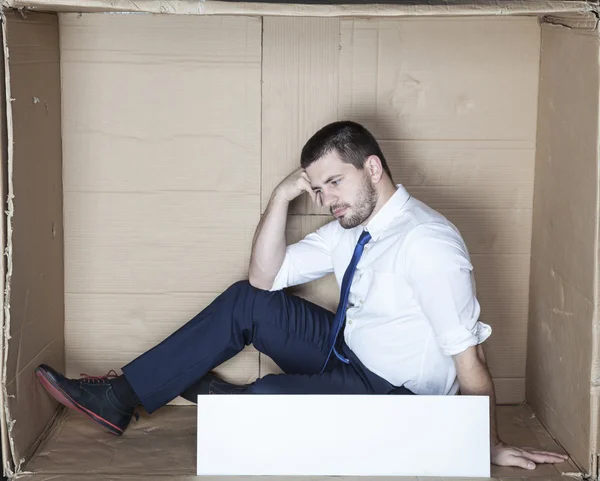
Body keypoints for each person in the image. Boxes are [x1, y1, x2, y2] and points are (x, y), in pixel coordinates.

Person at [36, 121, 568, 470]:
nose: (326, 200)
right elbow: (264, 279)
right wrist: (282, 195)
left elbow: (470, 359)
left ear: (373, 168)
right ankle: (121, 397)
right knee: (248, 300)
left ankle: (225, 400)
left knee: (264, 406)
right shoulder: (349, 225)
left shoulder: (427, 244)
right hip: (347, 352)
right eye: (317, 189)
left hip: (391, 393)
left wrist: (483, 446)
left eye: (334, 183)